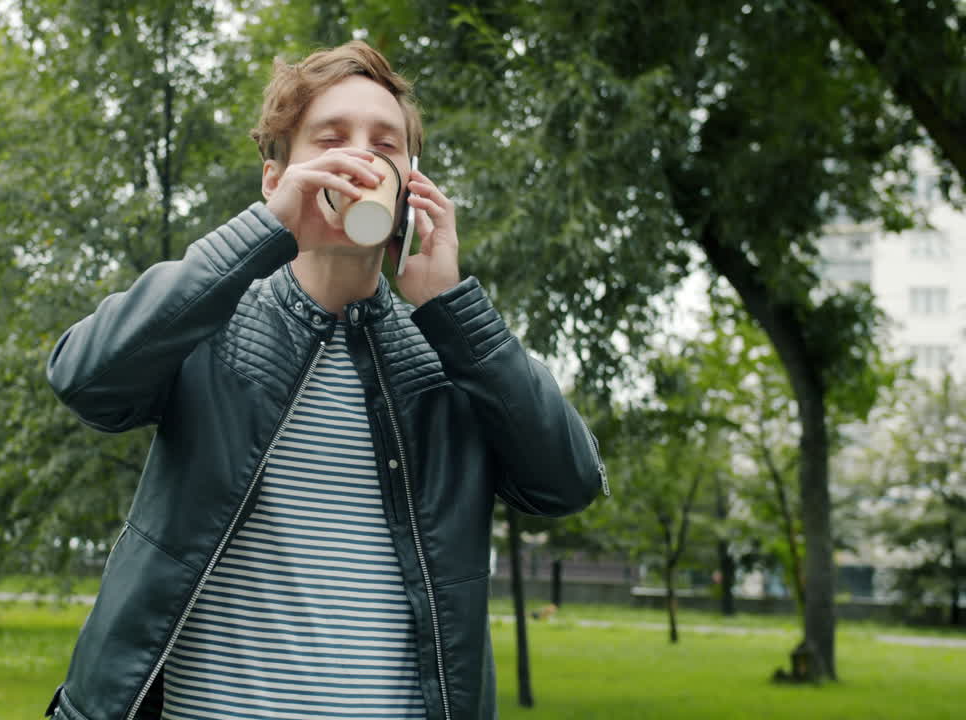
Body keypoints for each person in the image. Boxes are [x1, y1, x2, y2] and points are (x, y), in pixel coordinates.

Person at [43, 40, 607, 720]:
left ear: (411, 184)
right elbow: (86, 380)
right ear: (275, 178)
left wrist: (452, 308)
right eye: (331, 140)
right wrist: (262, 233)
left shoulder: (449, 355)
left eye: (386, 145)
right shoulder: (210, 321)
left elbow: (567, 484)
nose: (361, 158)